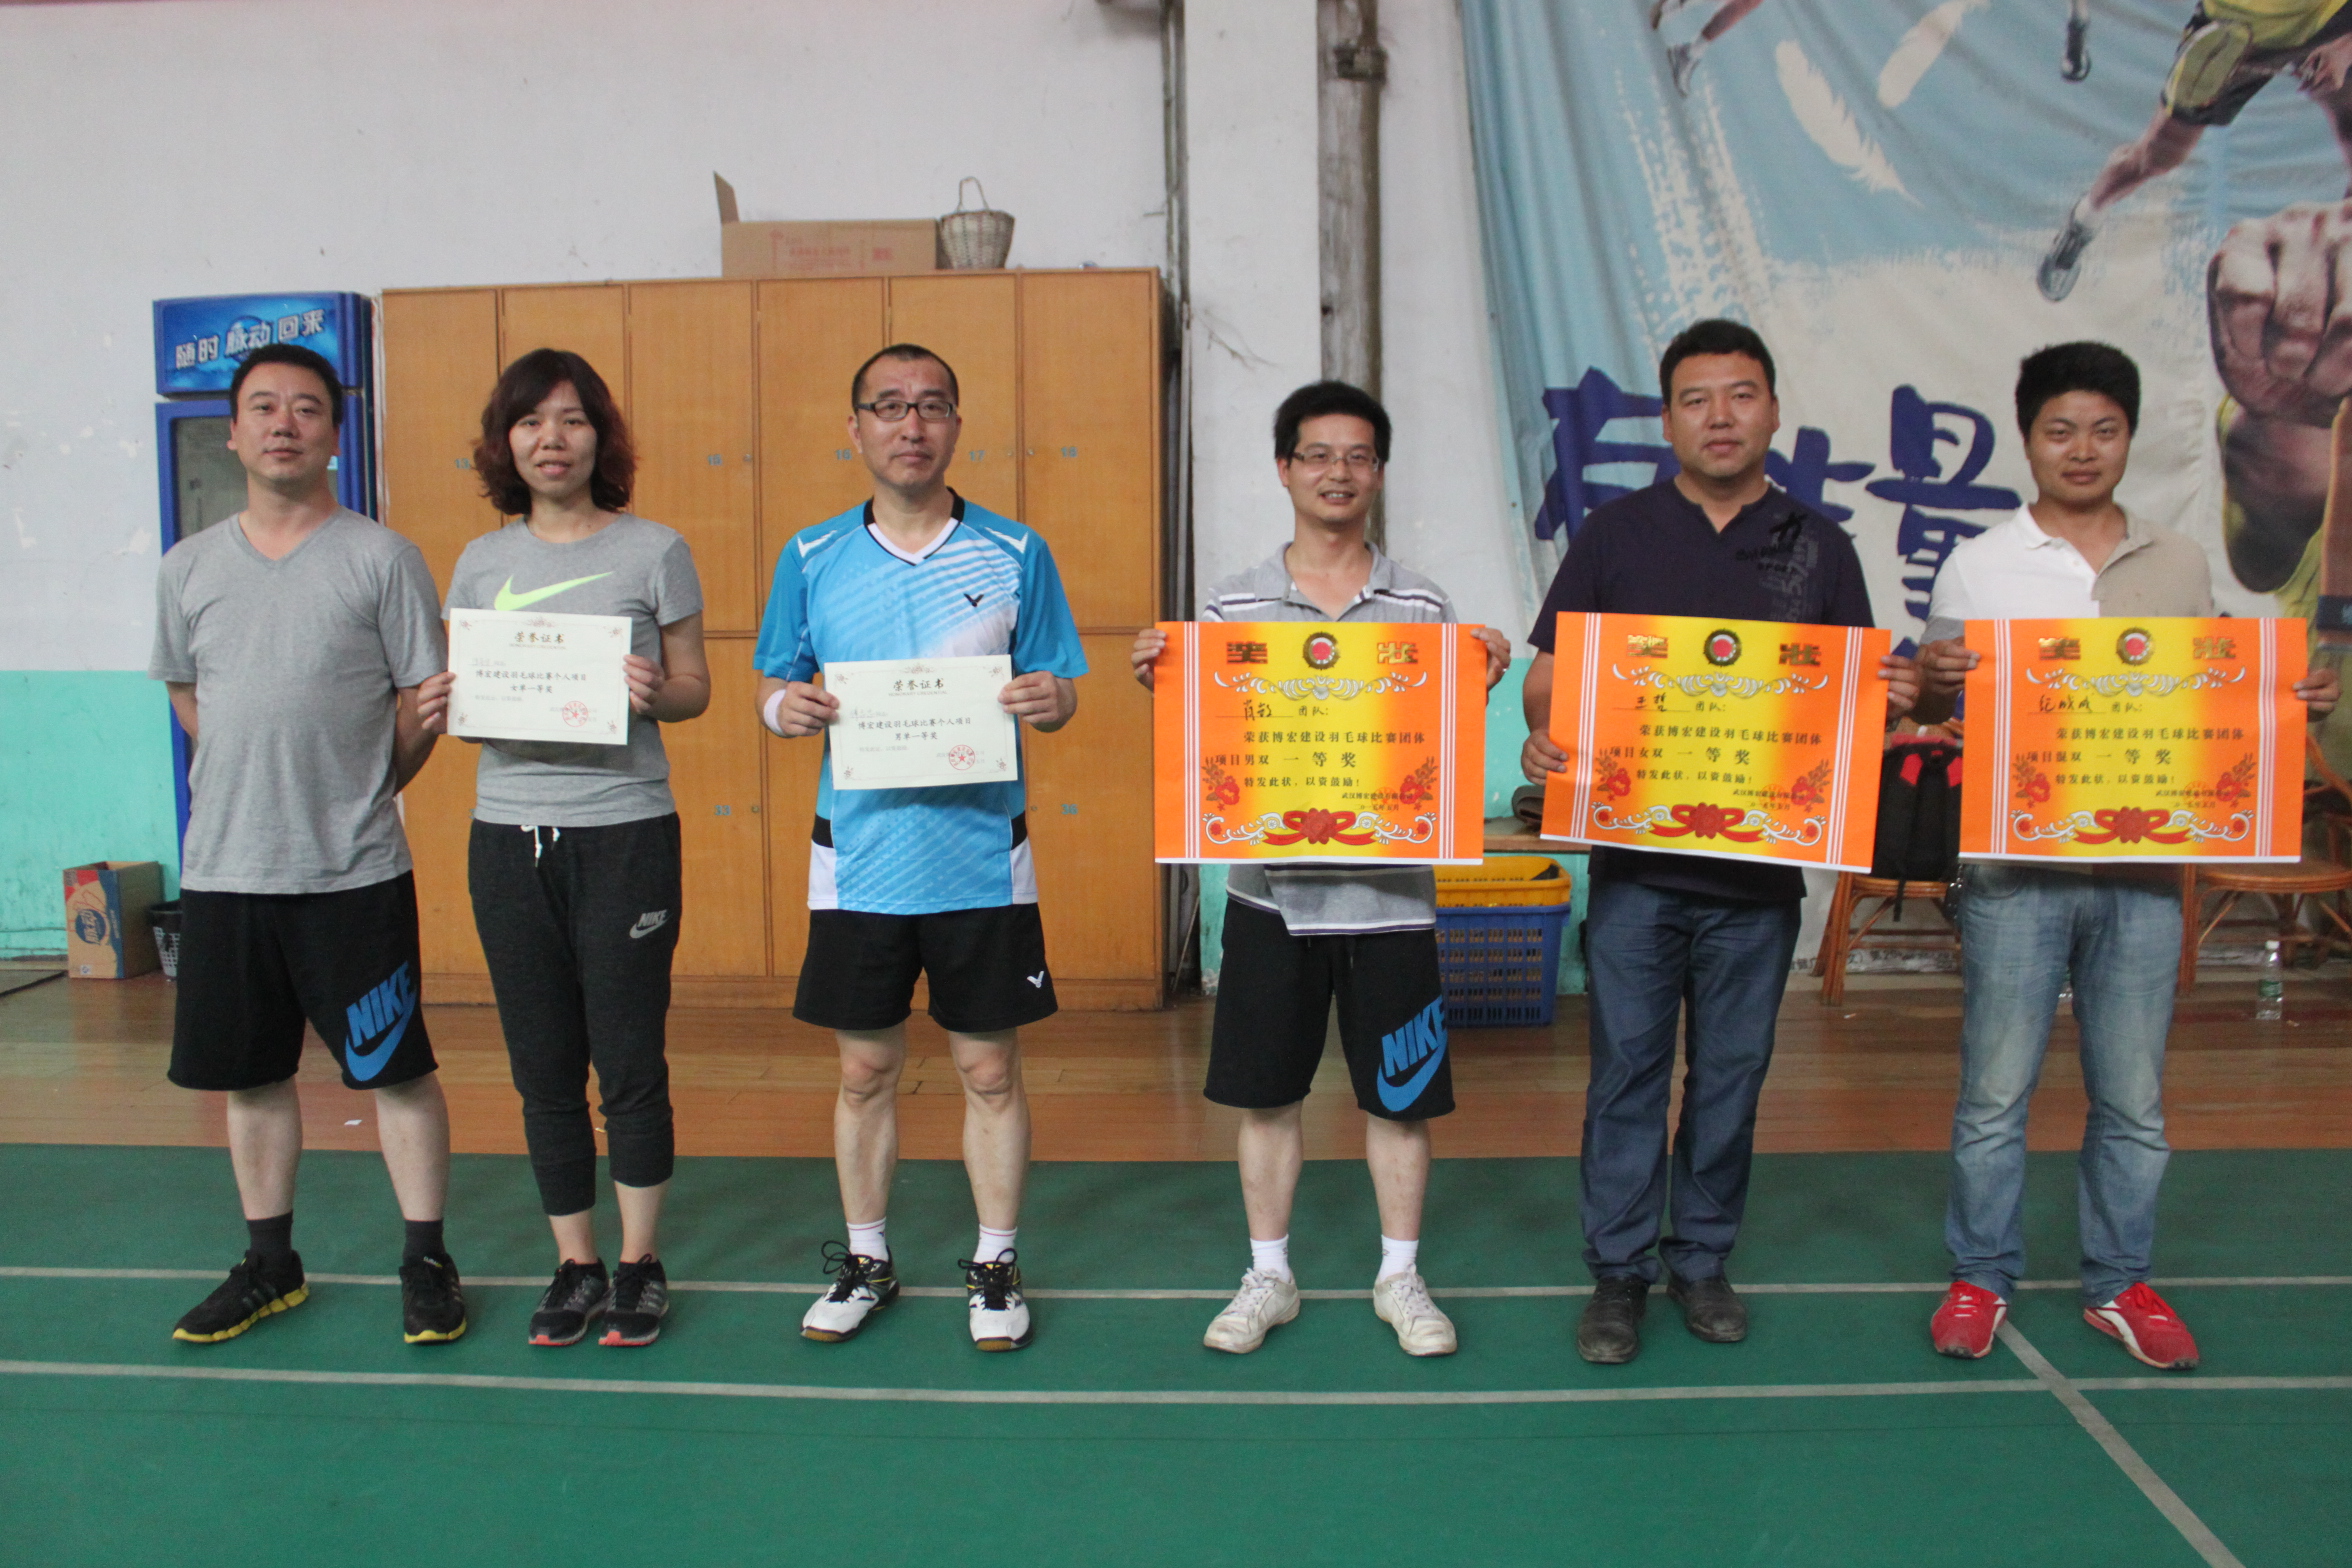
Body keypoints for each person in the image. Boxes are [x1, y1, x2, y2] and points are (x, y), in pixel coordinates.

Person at [1913, 341, 2338, 1369]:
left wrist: (2291, 700)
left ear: (2129, 437)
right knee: (1994, 1092)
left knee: (2134, 1097)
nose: (2082, 448)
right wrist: (1932, 676)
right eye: (2060, 429)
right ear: (2028, 440)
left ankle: (2119, 1279)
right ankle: (1980, 1274)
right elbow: (1931, 704)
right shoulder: (1978, 563)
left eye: (2103, 428)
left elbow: (2212, 697)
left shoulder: (2181, 562)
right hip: (2014, 871)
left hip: (2145, 873)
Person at [1520, 319, 1919, 1365]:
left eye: (1741, 395)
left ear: (1773, 410)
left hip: (1759, 880)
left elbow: (1854, 705)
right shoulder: (1615, 536)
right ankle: (1618, 1273)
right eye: (1697, 399)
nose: (1721, 416)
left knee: (1732, 1079)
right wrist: (1544, 735)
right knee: (1626, 1075)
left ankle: (1700, 1259)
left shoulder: (1818, 547)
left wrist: (1890, 700)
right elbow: (1551, 681)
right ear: (1667, 420)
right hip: (1636, 873)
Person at [1131, 381, 1511, 1358]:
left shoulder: (1424, 606)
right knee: (1267, 1096)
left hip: (1392, 904)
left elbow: (1438, 746)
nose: (1337, 472)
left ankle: (1400, 1276)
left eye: (1356, 456)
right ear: (1284, 468)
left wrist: (1479, 673)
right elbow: (1210, 745)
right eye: (1317, 454)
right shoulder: (1230, 605)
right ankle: (1270, 1274)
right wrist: (1165, 676)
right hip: (1271, 901)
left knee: (1401, 1098)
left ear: (1378, 472)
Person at [756, 344, 1085, 1352]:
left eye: (932, 405)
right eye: (890, 406)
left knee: (989, 1068)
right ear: (855, 427)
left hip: (981, 854)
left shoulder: (1015, 550)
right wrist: (783, 709)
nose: (912, 424)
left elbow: (1060, 687)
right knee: (864, 1069)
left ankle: (996, 1263)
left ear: (956, 425)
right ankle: (867, 1259)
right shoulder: (811, 554)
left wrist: (1051, 698)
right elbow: (774, 684)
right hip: (858, 857)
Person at [149, 343, 464, 1345]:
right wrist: (251, 777)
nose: (284, 423)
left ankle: (426, 1257)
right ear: (234, 431)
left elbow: (424, 703)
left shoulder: (383, 557)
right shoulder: (188, 566)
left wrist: (361, 788)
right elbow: (187, 691)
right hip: (227, 870)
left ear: (335, 432)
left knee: (395, 1072)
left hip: (354, 871)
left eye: (306, 408)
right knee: (251, 1075)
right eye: (263, 406)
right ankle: (270, 1263)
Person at [417, 350, 709, 1349]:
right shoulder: (479, 561)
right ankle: (575, 1262)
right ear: (505, 442)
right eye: (532, 421)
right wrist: (450, 704)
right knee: (542, 1063)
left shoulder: (655, 549)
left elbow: (694, 686)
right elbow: (473, 697)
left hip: (625, 830)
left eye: (574, 419)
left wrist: (652, 691)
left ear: (602, 436)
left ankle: (640, 1261)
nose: (553, 438)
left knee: (628, 1058)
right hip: (507, 835)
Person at [2038, 0, 2352, 301]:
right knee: (2158, 158)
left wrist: (2343, 47)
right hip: (2235, 32)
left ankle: (2342, 271)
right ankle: (2085, 219)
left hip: (2331, 16)